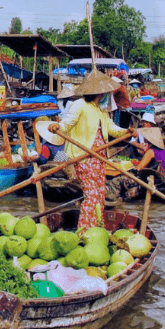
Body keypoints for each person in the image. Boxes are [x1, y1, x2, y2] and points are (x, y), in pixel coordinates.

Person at [48, 70, 134, 229]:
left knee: (100, 194)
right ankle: (84, 230)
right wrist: (57, 126)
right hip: (84, 156)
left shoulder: (101, 110)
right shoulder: (79, 105)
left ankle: (96, 227)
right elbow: (67, 124)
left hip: (99, 158)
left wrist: (126, 132)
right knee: (91, 195)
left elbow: (111, 128)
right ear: (99, 92)